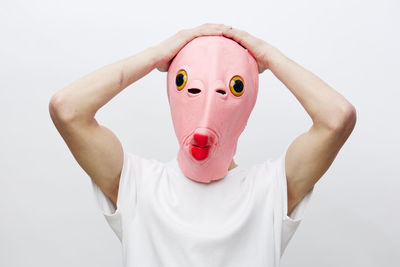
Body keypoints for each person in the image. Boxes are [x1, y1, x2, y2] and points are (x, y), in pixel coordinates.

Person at [49, 23, 357, 267]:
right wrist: (157, 54)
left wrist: (269, 56)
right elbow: (67, 109)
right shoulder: (137, 185)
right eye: (188, 85)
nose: (208, 103)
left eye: (233, 87)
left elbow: (337, 118)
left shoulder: (271, 191)